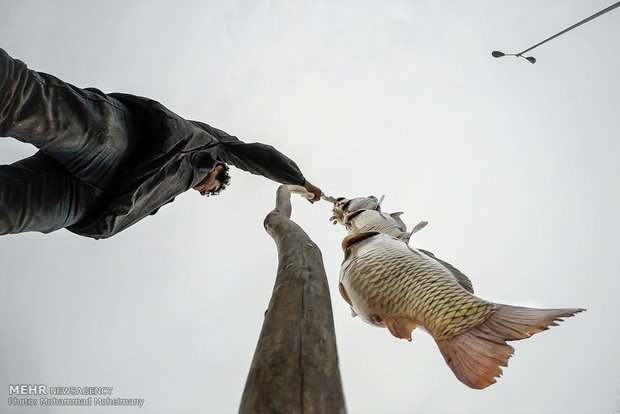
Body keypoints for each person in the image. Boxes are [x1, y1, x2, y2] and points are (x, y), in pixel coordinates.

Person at [0, 48, 322, 239]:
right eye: (213, 186)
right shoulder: (213, 147)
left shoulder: (172, 188)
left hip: (94, 204)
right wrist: (300, 181)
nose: (206, 190)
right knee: (22, 102)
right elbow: (255, 156)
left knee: (8, 209)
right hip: (122, 143)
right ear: (220, 169)